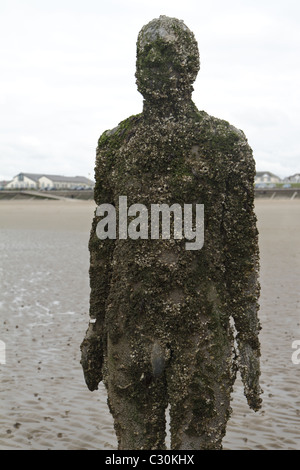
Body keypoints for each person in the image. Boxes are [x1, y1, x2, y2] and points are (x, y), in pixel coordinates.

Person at [80, 15, 262, 450]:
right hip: (129, 326)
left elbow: (240, 247)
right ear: (135, 68)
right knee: (134, 450)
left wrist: (249, 336)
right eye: (146, 56)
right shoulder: (115, 145)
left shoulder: (225, 145)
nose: (156, 66)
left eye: (167, 56)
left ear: (191, 66)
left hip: (202, 328)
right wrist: (95, 325)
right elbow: (103, 241)